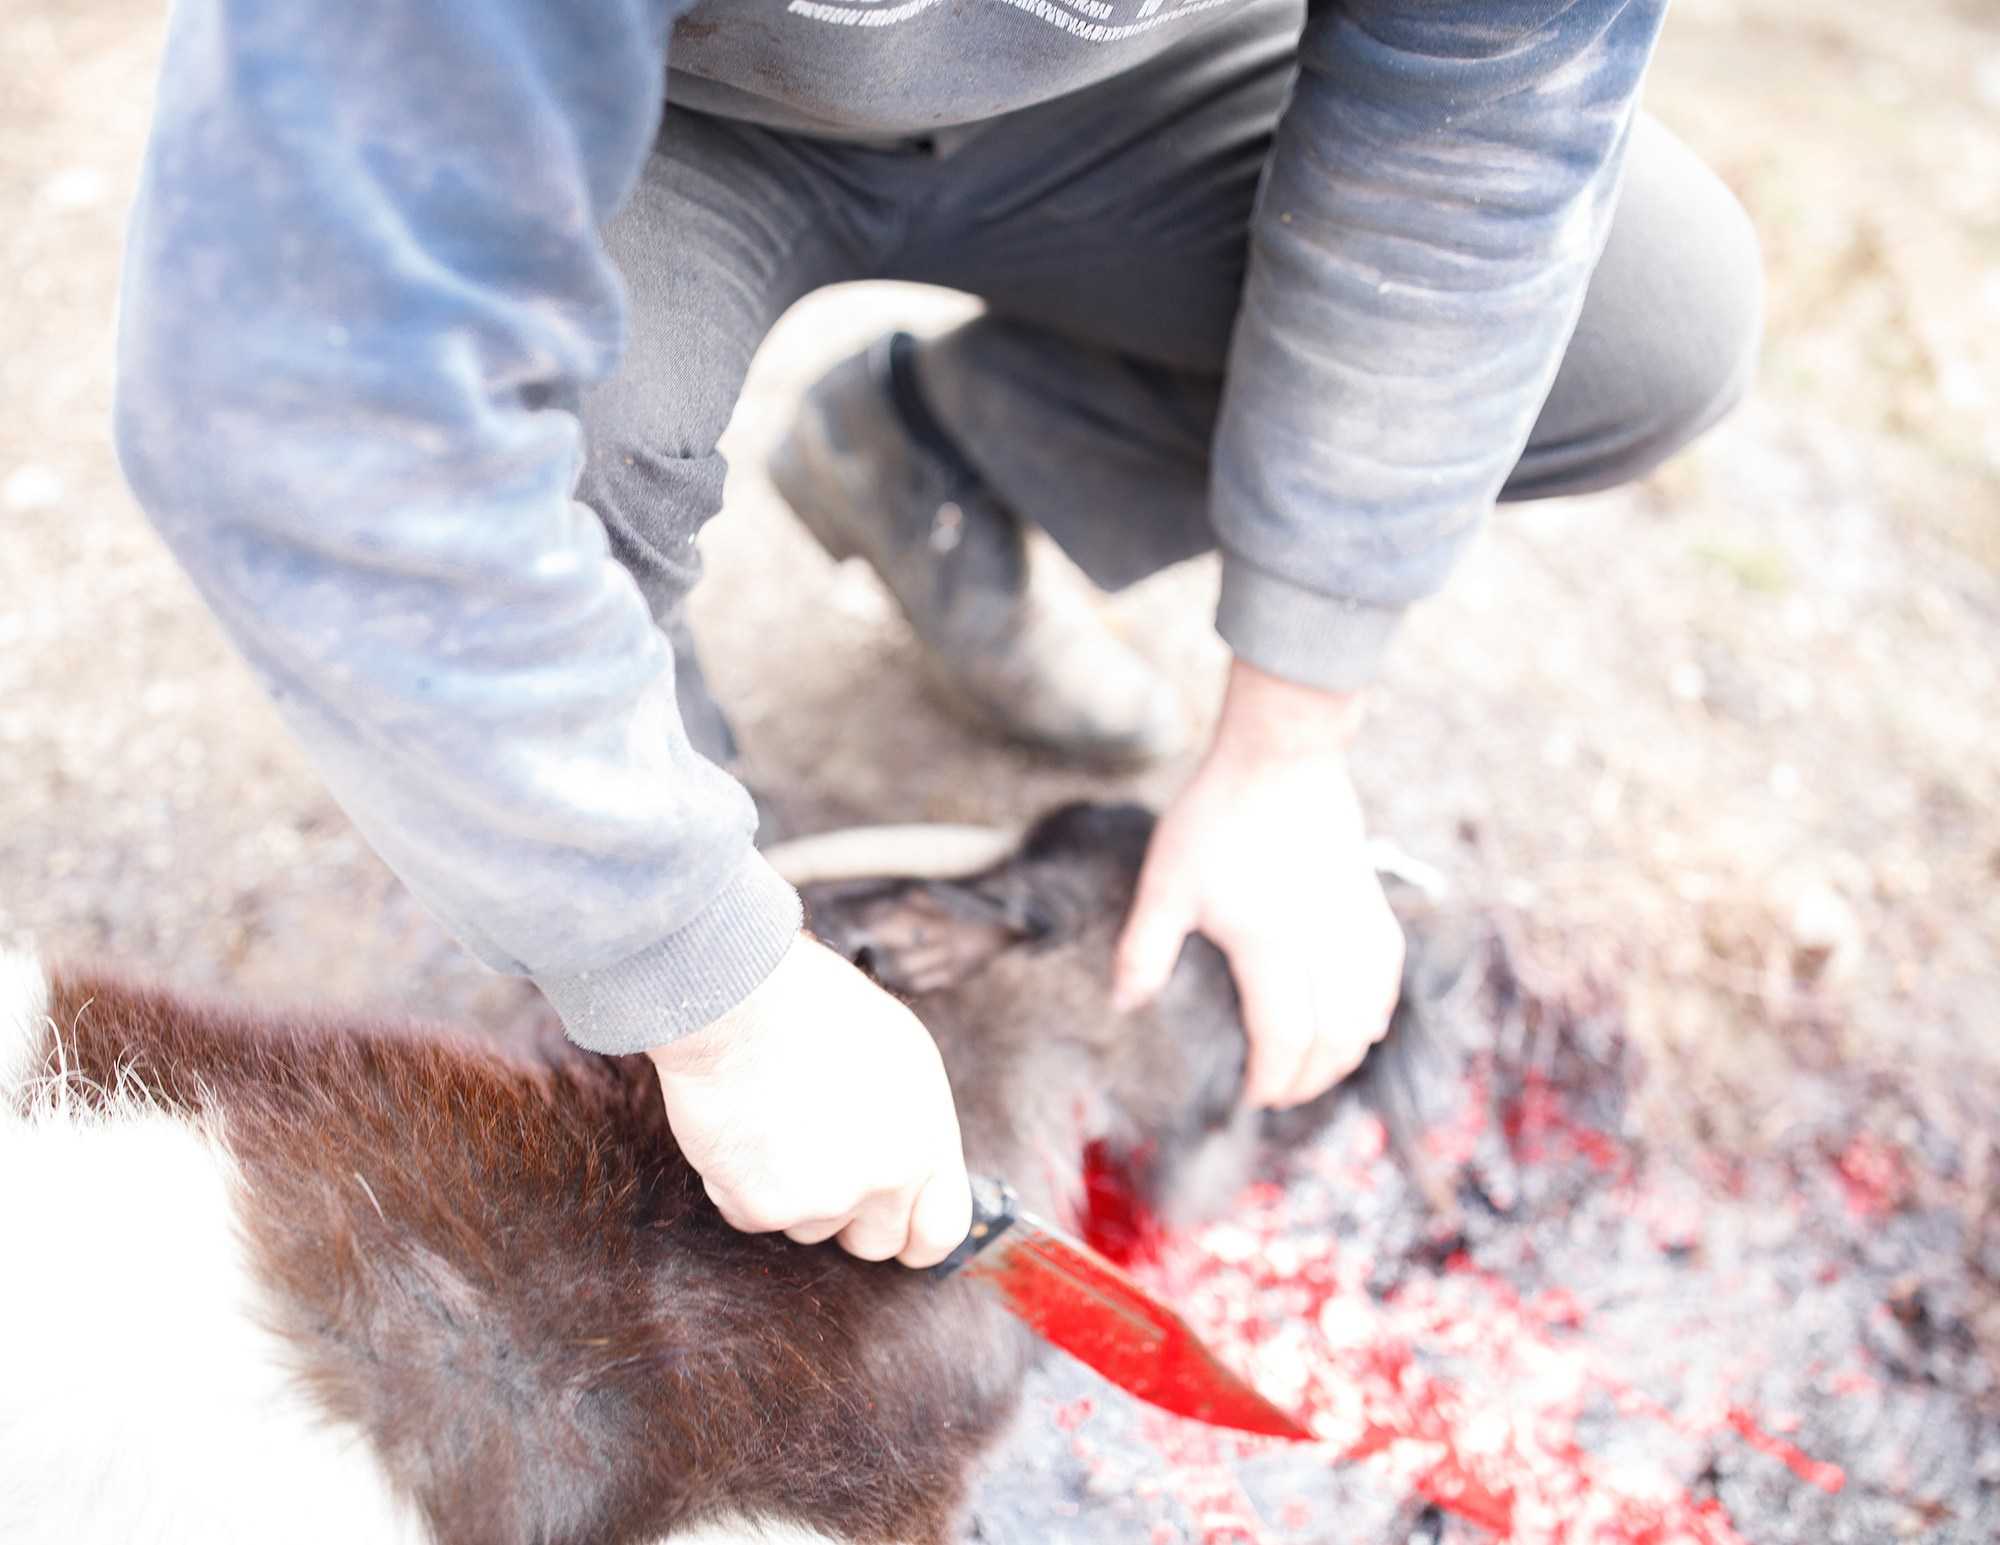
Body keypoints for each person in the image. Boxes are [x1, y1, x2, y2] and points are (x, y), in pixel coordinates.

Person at [113, 0, 1761, 1271]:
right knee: (528, 481)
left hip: (1122, 88)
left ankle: (943, 458)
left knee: (1641, 322)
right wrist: (706, 985)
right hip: (670, 102)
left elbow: (1473, 163)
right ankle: (629, 916)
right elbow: (303, 387)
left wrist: (1288, 740)